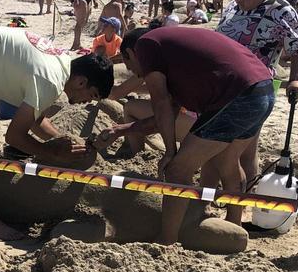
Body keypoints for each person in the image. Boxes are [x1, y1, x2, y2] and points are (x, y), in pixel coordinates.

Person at [95, 26, 274, 241]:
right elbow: (167, 113)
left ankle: (166, 240)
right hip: (263, 90)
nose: (135, 73)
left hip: (237, 95)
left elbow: (160, 104)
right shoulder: (173, 57)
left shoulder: (146, 45)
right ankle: (234, 231)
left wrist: (171, 152)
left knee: (178, 169)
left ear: (131, 53)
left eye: (130, 65)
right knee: (228, 160)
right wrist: (121, 130)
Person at [0, 26, 114, 239]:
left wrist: (63, 141)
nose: (87, 102)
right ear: (81, 82)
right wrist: (52, 153)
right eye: (92, 95)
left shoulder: (62, 63)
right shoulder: (51, 81)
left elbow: (36, 120)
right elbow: (13, 137)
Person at [214, 0, 298, 193]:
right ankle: (220, 197)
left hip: (255, 88)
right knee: (227, 147)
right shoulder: (234, 7)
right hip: (222, 85)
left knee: (240, 149)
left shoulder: (281, 11)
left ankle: (241, 201)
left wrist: (297, 78)